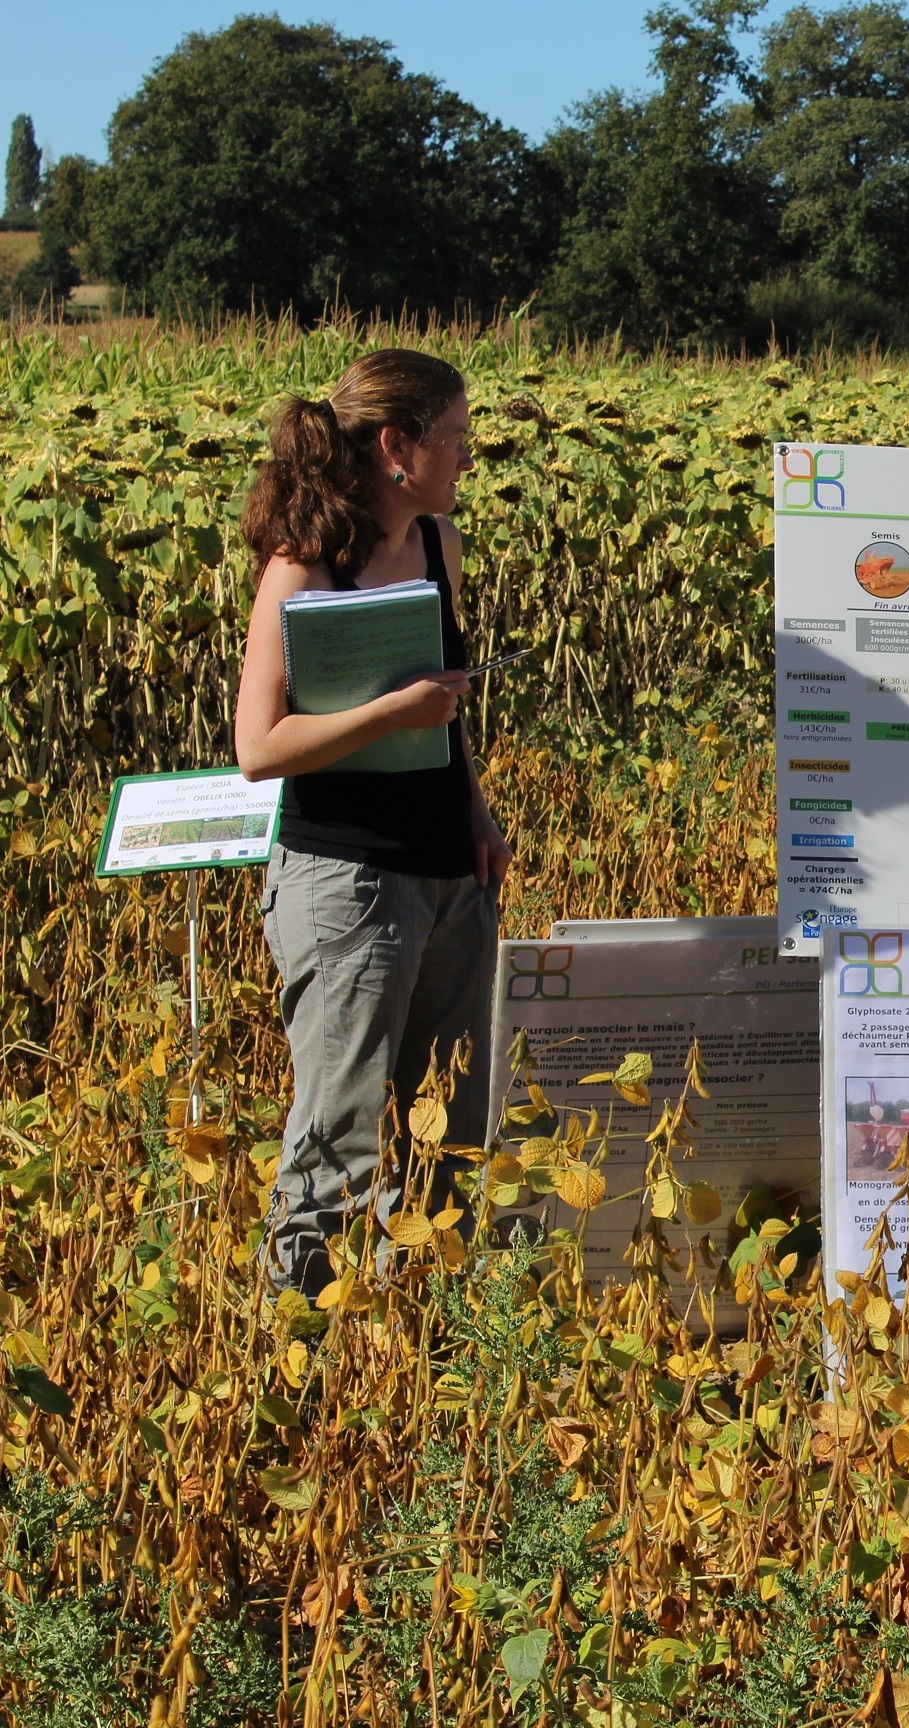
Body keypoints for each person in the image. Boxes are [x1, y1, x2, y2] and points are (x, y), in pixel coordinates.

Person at [233, 349, 512, 1295]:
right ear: (400, 446)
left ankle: (419, 1350)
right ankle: (296, 1356)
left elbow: (451, 702)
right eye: (457, 439)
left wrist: (476, 808)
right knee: (339, 1142)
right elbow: (259, 747)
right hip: (346, 882)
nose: (467, 457)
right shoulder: (303, 566)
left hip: (447, 874)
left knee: (447, 1130)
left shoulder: (440, 547)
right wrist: (389, 714)